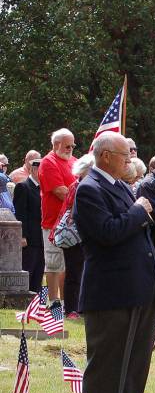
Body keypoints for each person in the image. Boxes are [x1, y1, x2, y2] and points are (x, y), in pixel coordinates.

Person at [73, 132, 155, 393]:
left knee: (135, 365)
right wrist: (138, 211)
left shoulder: (122, 187)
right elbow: (107, 233)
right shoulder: (89, 190)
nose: (130, 160)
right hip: (110, 291)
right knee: (107, 366)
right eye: (125, 155)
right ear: (106, 155)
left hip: (137, 289)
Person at [52, 154, 95, 315]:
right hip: (74, 236)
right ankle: (71, 308)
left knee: (82, 273)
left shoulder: (80, 185)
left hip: (82, 235)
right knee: (74, 273)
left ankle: (80, 307)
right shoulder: (77, 186)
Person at [38, 128, 77, 304]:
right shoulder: (48, 162)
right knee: (53, 264)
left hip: (73, 222)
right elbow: (61, 192)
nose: (70, 149)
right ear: (56, 145)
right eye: (67, 146)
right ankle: (53, 303)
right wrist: (85, 197)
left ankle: (69, 303)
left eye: (73, 146)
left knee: (70, 266)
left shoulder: (75, 161)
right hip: (53, 223)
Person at [13, 157, 43, 292]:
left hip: (43, 238)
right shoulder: (23, 187)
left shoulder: (44, 189)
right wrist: (22, 236)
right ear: (34, 170)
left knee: (40, 273)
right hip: (30, 239)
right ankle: (24, 299)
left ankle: (39, 304)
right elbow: (20, 214)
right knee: (28, 270)